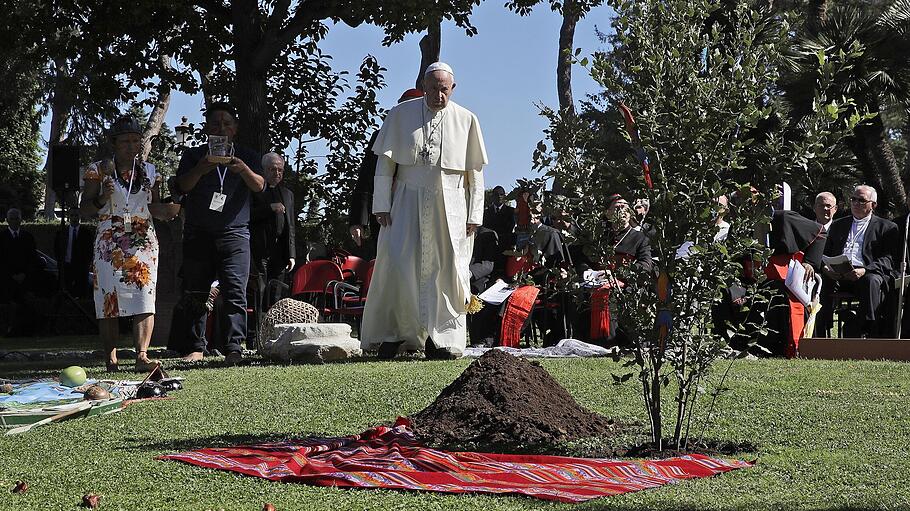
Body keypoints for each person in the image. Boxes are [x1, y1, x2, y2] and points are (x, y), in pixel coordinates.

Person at [361, 62, 487, 359]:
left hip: (451, 205)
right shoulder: (400, 115)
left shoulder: (467, 119)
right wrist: (381, 204)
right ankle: (396, 334)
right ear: (423, 85)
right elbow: (385, 165)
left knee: (446, 270)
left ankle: (441, 339)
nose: (438, 95)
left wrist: (474, 214)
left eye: (444, 90)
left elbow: (475, 174)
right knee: (400, 264)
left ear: (452, 89)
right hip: (406, 200)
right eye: (433, 89)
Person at [80, 116, 174, 371]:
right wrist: (102, 198)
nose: (131, 146)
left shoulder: (150, 171)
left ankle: (142, 356)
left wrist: (166, 210)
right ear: (114, 143)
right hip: (109, 241)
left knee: (145, 296)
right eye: (125, 141)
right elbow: (84, 209)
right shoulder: (97, 169)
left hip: (143, 239)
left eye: (135, 141)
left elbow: (152, 206)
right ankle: (111, 359)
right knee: (109, 298)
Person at [174, 102, 265, 365]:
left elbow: (260, 186)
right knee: (196, 292)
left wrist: (243, 169)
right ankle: (196, 346)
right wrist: (202, 168)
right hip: (198, 233)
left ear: (235, 128)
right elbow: (182, 186)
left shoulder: (248, 155)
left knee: (235, 291)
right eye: (215, 123)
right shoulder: (194, 155)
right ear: (206, 128)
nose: (221, 128)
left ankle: (234, 347)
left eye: (227, 123)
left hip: (235, 234)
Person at [348, 88, 425, 259]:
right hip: (385, 216)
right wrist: (358, 221)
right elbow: (366, 179)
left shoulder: (431, 139)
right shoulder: (381, 136)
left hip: (418, 215)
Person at [818, 185, 898, 338]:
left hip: (865, 273)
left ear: (873, 205)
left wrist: (865, 270)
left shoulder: (886, 227)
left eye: (861, 200)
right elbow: (824, 253)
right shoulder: (838, 225)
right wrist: (826, 268)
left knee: (871, 280)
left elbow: (888, 259)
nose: (855, 203)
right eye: (853, 199)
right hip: (838, 274)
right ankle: (821, 329)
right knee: (822, 280)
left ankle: (866, 328)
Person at [251, 152, 296, 311]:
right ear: (263, 170)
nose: (277, 173)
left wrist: (291, 254)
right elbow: (247, 216)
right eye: (272, 169)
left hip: (280, 252)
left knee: (278, 292)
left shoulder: (287, 194)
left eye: (280, 170)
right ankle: (256, 330)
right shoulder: (254, 191)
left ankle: (276, 327)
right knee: (260, 291)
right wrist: (269, 209)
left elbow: (291, 226)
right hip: (259, 250)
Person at [0, 208, 42, 335]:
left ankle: (27, 330)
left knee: (28, 303)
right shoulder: (1, 237)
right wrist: (12, 275)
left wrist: (24, 274)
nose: (14, 221)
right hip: (7, 280)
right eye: (11, 218)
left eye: (16, 218)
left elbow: (32, 258)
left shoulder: (27, 237)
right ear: (7, 220)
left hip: (25, 280)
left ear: (21, 220)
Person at [54, 208, 95, 298]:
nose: (74, 218)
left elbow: (89, 251)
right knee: (65, 291)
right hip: (66, 266)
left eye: (76, 215)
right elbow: (57, 249)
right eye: (72, 215)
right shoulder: (62, 232)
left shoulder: (86, 233)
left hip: (81, 267)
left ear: (80, 216)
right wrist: (60, 263)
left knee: (81, 292)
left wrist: (86, 264)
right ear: (69, 217)